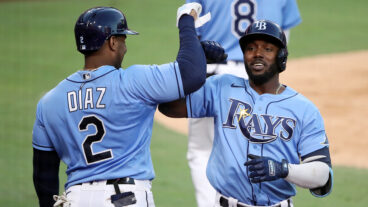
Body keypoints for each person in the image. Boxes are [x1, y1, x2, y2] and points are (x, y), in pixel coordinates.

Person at [32, 4, 223, 207]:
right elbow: (190, 73)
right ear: (113, 42)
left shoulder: (49, 102)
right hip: (124, 197)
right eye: (123, 40)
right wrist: (186, 20)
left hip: (75, 199)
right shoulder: (133, 82)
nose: (125, 47)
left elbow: (44, 176)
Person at [159, 20, 333, 207]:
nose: (257, 54)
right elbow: (168, 106)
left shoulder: (304, 109)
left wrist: (283, 169)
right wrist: (196, 65)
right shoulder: (221, 87)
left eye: (267, 49)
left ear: (281, 57)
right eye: (250, 48)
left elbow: (322, 175)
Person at [182, 1, 302, 206]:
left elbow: (191, 32)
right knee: (260, 147)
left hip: (213, 76)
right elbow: (283, 40)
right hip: (261, 75)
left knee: (202, 150)